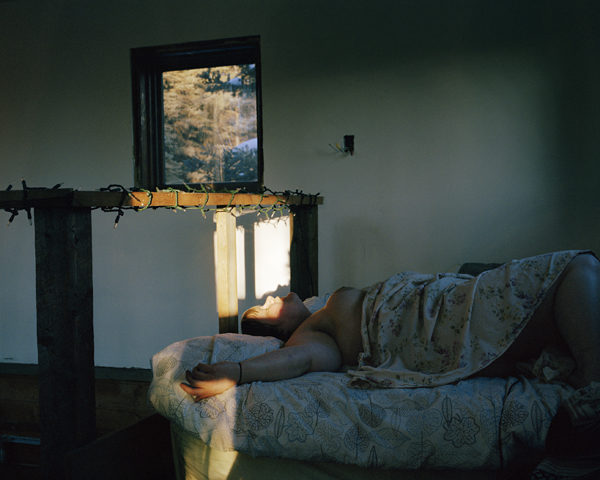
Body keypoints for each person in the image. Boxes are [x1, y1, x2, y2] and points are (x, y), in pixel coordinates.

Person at [181, 251, 599, 401]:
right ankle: (593, 381)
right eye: (265, 309)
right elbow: (298, 361)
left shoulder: (321, 309)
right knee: (575, 269)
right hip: (428, 323)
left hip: (436, 299)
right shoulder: (312, 335)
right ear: (278, 332)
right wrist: (237, 373)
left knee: (580, 273)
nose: (273, 297)